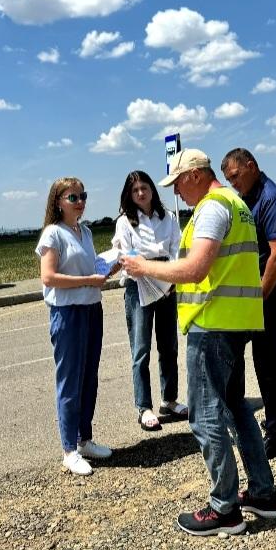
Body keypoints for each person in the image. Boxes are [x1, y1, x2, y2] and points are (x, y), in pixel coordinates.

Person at [122, 149, 276, 536]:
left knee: (205, 415)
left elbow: (195, 269)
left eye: (178, 182)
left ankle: (224, 508)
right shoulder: (236, 203)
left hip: (211, 326)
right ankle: (263, 493)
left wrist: (143, 266)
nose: (176, 191)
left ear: (195, 175)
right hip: (235, 321)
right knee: (235, 408)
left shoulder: (213, 207)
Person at [220, 148, 276, 458]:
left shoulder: (272, 198)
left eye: (235, 176)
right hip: (259, 290)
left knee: (265, 360)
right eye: (228, 180)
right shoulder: (250, 197)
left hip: (269, 288)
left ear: (251, 166)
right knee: (272, 353)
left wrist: (258, 298)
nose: (233, 184)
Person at [35, 177, 114, 476]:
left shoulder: (86, 231)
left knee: (89, 377)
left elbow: (91, 269)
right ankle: (69, 449)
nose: (79, 201)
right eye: (72, 197)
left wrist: (108, 268)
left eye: (82, 195)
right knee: (70, 381)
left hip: (92, 308)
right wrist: (87, 281)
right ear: (58, 202)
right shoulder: (53, 234)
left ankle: (85, 439)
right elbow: (49, 277)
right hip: (67, 313)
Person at [112, 170, 187, 432]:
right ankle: (144, 407)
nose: (141, 193)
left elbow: (177, 248)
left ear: (152, 190)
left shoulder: (168, 218)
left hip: (166, 281)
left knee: (169, 345)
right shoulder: (125, 222)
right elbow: (126, 253)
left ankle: (170, 399)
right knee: (141, 349)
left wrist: (173, 277)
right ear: (129, 195)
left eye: (144, 187)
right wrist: (145, 268)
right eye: (135, 190)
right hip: (139, 284)